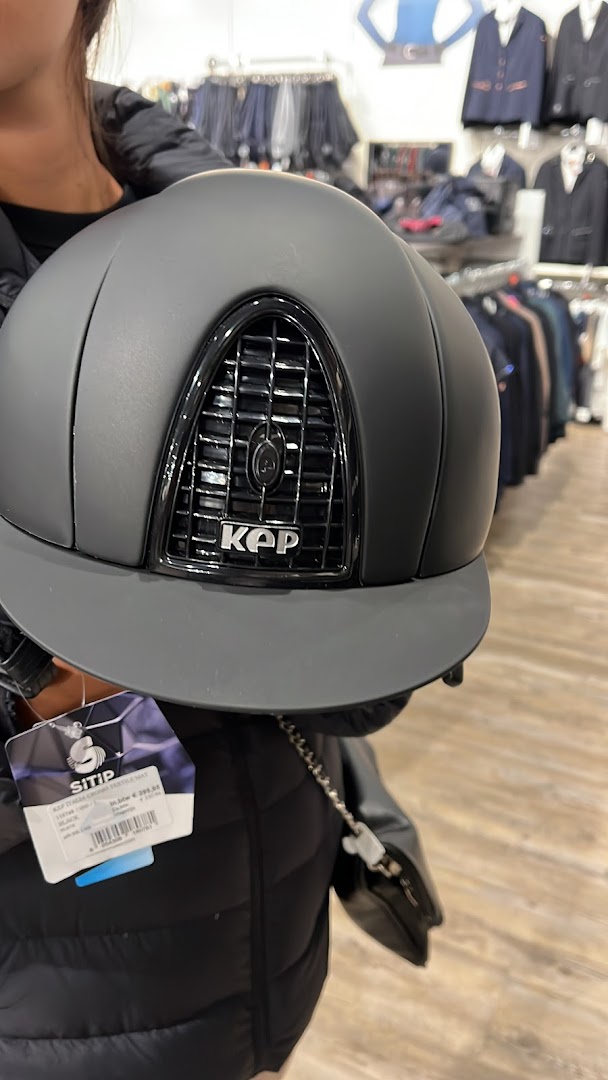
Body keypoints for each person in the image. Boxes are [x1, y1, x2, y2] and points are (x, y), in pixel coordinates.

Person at [0, 7, 412, 1078]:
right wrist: (27, 670)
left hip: (269, 916)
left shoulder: (268, 249)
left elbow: (368, 659)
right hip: (63, 1000)